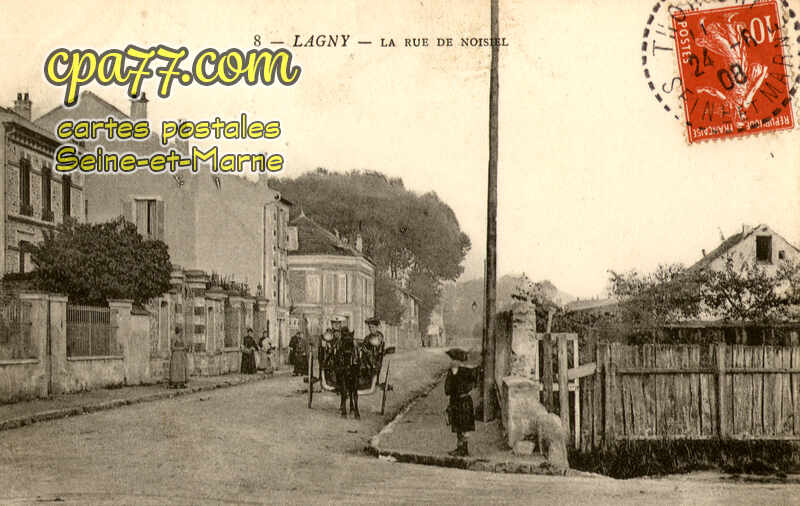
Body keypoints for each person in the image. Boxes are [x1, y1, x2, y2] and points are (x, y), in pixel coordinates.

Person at [444, 356, 476, 457]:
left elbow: (447, 390)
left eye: (454, 362)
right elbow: (473, 383)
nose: (453, 364)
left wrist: (451, 376)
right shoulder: (467, 371)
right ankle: (461, 448)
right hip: (464, 401)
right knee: (460, 426)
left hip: (459, 402)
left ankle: (463, 449)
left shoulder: (455, 374)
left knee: (462, 427)